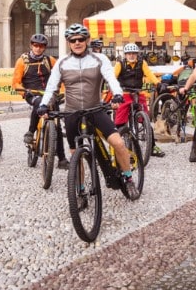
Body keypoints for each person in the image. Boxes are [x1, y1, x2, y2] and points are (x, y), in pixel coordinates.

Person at [38, 24, 138, 196]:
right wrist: (44, 104)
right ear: (68, 42)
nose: (77, 43)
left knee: (118, 143)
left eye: (81, 39)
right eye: (73, 40)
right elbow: (51, 87)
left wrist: (117, 94)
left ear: (87, 40)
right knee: (75, 154)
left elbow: (111, 79)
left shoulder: (99, 59)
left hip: (95, 110)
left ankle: (128, 178)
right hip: (72, 113)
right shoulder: (62, 62)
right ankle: (80, 188)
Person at [12, 33, 68, 170]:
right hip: (32, 93)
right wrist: (24, 92)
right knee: (38, 103)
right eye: (35, 45)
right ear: (31, 45)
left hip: (49, 94)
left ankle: (62, 159)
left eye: (41, 46)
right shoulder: (22, 61)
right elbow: (16, 83)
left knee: (57, 127)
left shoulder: (51, 60)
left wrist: (62, 92)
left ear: (45, 47)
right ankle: (31, 132)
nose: (38, 48)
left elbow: (61, 78)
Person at [114, 42, 164, 157]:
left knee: (145, 119)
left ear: (137, 54)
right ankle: (117, 148)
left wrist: (157, 83)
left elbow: (149, 74)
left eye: (134, 53)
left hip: (138, 93)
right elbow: (113, 77)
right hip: (125, 94)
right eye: (129, 54)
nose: (131, 55)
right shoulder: (120, 64)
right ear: (125, 55)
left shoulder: (142, 63)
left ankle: (152, 147)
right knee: (119, 122)